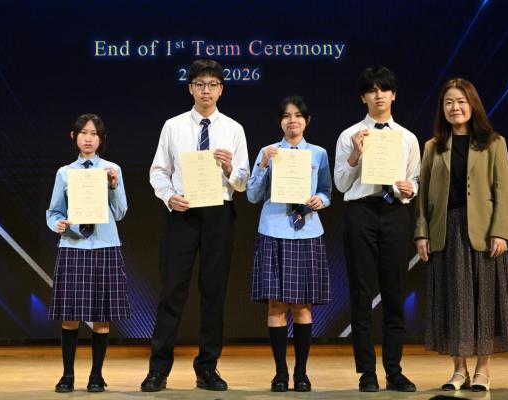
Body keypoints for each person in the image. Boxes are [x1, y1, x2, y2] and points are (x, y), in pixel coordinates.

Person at [142, 59, 250, 392]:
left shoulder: (233, 129)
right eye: (200, 84)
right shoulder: (173, 126)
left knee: (214, 293)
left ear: (221, 89)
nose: (206, 91)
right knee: (171, 291)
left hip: (218, 213)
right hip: (183, 212)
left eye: (213, 84)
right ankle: (158, 370)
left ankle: (207, 368)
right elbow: (158, 171)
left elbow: (243, 181)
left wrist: (230, 169)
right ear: (190, 88)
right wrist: (169, 197)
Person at [415, 77, 508, 392]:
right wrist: (421, 234)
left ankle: (483, 371)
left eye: (461, 101)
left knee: (484, 301)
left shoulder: (494, 142)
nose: (455, 107)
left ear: (472, 105)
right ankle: (459, 370)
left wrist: (500, 232)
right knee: (454, 301)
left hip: (483, 233)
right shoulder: (433, 147)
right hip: (445, 231)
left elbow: (504, 191)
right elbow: (423, 196)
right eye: (448, 102)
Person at [334, 66, 420, 392]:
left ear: (393, 95)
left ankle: (394, 371)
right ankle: (366, 372)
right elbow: (342, 183)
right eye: (372, 90)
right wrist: (356, 153)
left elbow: (414, 179)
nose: (378, 95)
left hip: (395, 212)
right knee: (361, 293)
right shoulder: (350, 135)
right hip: (361, 212)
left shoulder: (407, 138)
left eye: (384, 89)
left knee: (395, 292)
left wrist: (409, 189)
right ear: (363, 97)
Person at [247, 96, 332, 392]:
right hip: (274, 230)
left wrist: (321, 200)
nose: (292, 120)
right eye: (286, 116)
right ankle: (280, 373)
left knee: (303, 306)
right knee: (276, 305)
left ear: (307, 121)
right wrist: (263, 164)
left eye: (297, 115)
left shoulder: (318, 153)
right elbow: (252, 195)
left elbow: (326, 190)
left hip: (307, 232)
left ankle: (302, 373)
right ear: (280, 121)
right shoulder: (268, 152)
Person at [47, 113, 130, 393]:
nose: (88, 138)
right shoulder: (64, 172)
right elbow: (54, 212)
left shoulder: (112, 169)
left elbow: (120, 212)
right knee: (70, 315)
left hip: (105, 245)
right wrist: (57, 224)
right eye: (83, 132)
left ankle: (96, 375)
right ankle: (67, 375)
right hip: (73, 245)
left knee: (101, 315)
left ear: (101, 139)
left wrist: (114, 185)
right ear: (74, 136)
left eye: (94, 134)